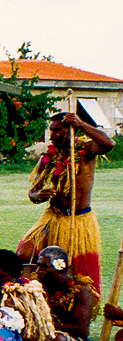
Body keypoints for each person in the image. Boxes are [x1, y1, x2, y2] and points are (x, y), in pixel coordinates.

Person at [17, 111, 114, 293]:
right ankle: (29, 295)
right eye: (51, 130)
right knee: (24, 253)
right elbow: (32, 192)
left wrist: (80, 124)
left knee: (73, 269)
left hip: (78, 220)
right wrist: (38, 196)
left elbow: (109, 144)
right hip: (52, 217)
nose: (51, 135)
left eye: (57, 131)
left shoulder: (86, 151)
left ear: (71, 131)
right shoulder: (47, 158)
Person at [35, 246, 102, 341]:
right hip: (46, 332)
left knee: (58, 339)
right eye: (39, 265)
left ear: (59, 267)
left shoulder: (80, 290)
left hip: (72, 339)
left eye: (44, 267)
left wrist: (44, 324)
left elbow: (82, 330)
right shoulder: (37, 286)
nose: (38, 271)